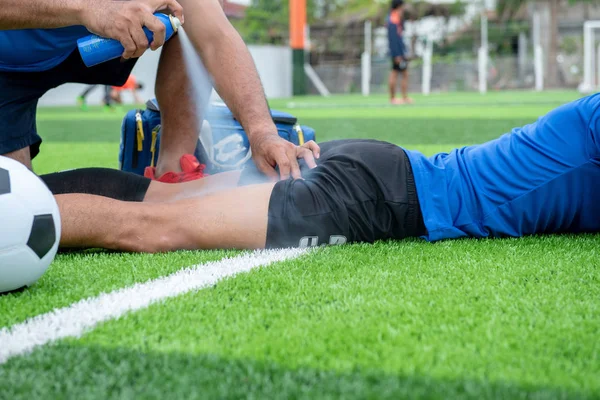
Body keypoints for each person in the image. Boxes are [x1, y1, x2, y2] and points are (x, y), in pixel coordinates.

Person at [40, 94, 600, 252]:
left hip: (378, 172)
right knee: (157, 229)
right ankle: (13, 213)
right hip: (376, 194)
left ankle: (18, 193)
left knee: (160, 202)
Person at [0, 0, 310, 183]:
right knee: (15, 211)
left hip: (97, 44)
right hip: (7, 59)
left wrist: (262, 132)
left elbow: (215, 37)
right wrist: (87, 8)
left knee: (183, 13)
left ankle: (173, 169)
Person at [387, 0, 412, 105]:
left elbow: (401, 35)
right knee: (395, 73)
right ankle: (393, 99)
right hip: (397, 53)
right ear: (399, 6)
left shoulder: (398, 18)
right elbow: (393, 39)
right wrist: (397, 54)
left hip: (400, 52)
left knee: (403, 73)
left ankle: (403, 97)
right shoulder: (393, 18)